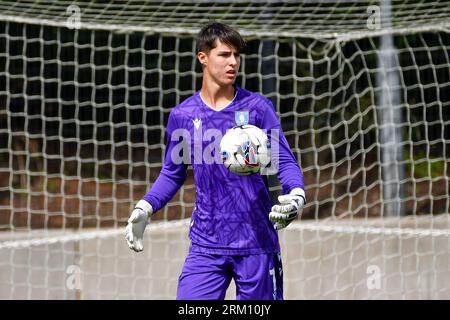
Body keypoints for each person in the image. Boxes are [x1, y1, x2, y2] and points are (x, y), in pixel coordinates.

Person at [125, 22, 305, 300]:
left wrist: (296, 194)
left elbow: (283, 160)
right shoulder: (182, 115)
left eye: (236, 55)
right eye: (224, 55)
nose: (233, 62)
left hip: (256, 242)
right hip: (206, 245)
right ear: (203, 58)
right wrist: (146, 206)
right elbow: (172, 174)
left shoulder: (257, 108)